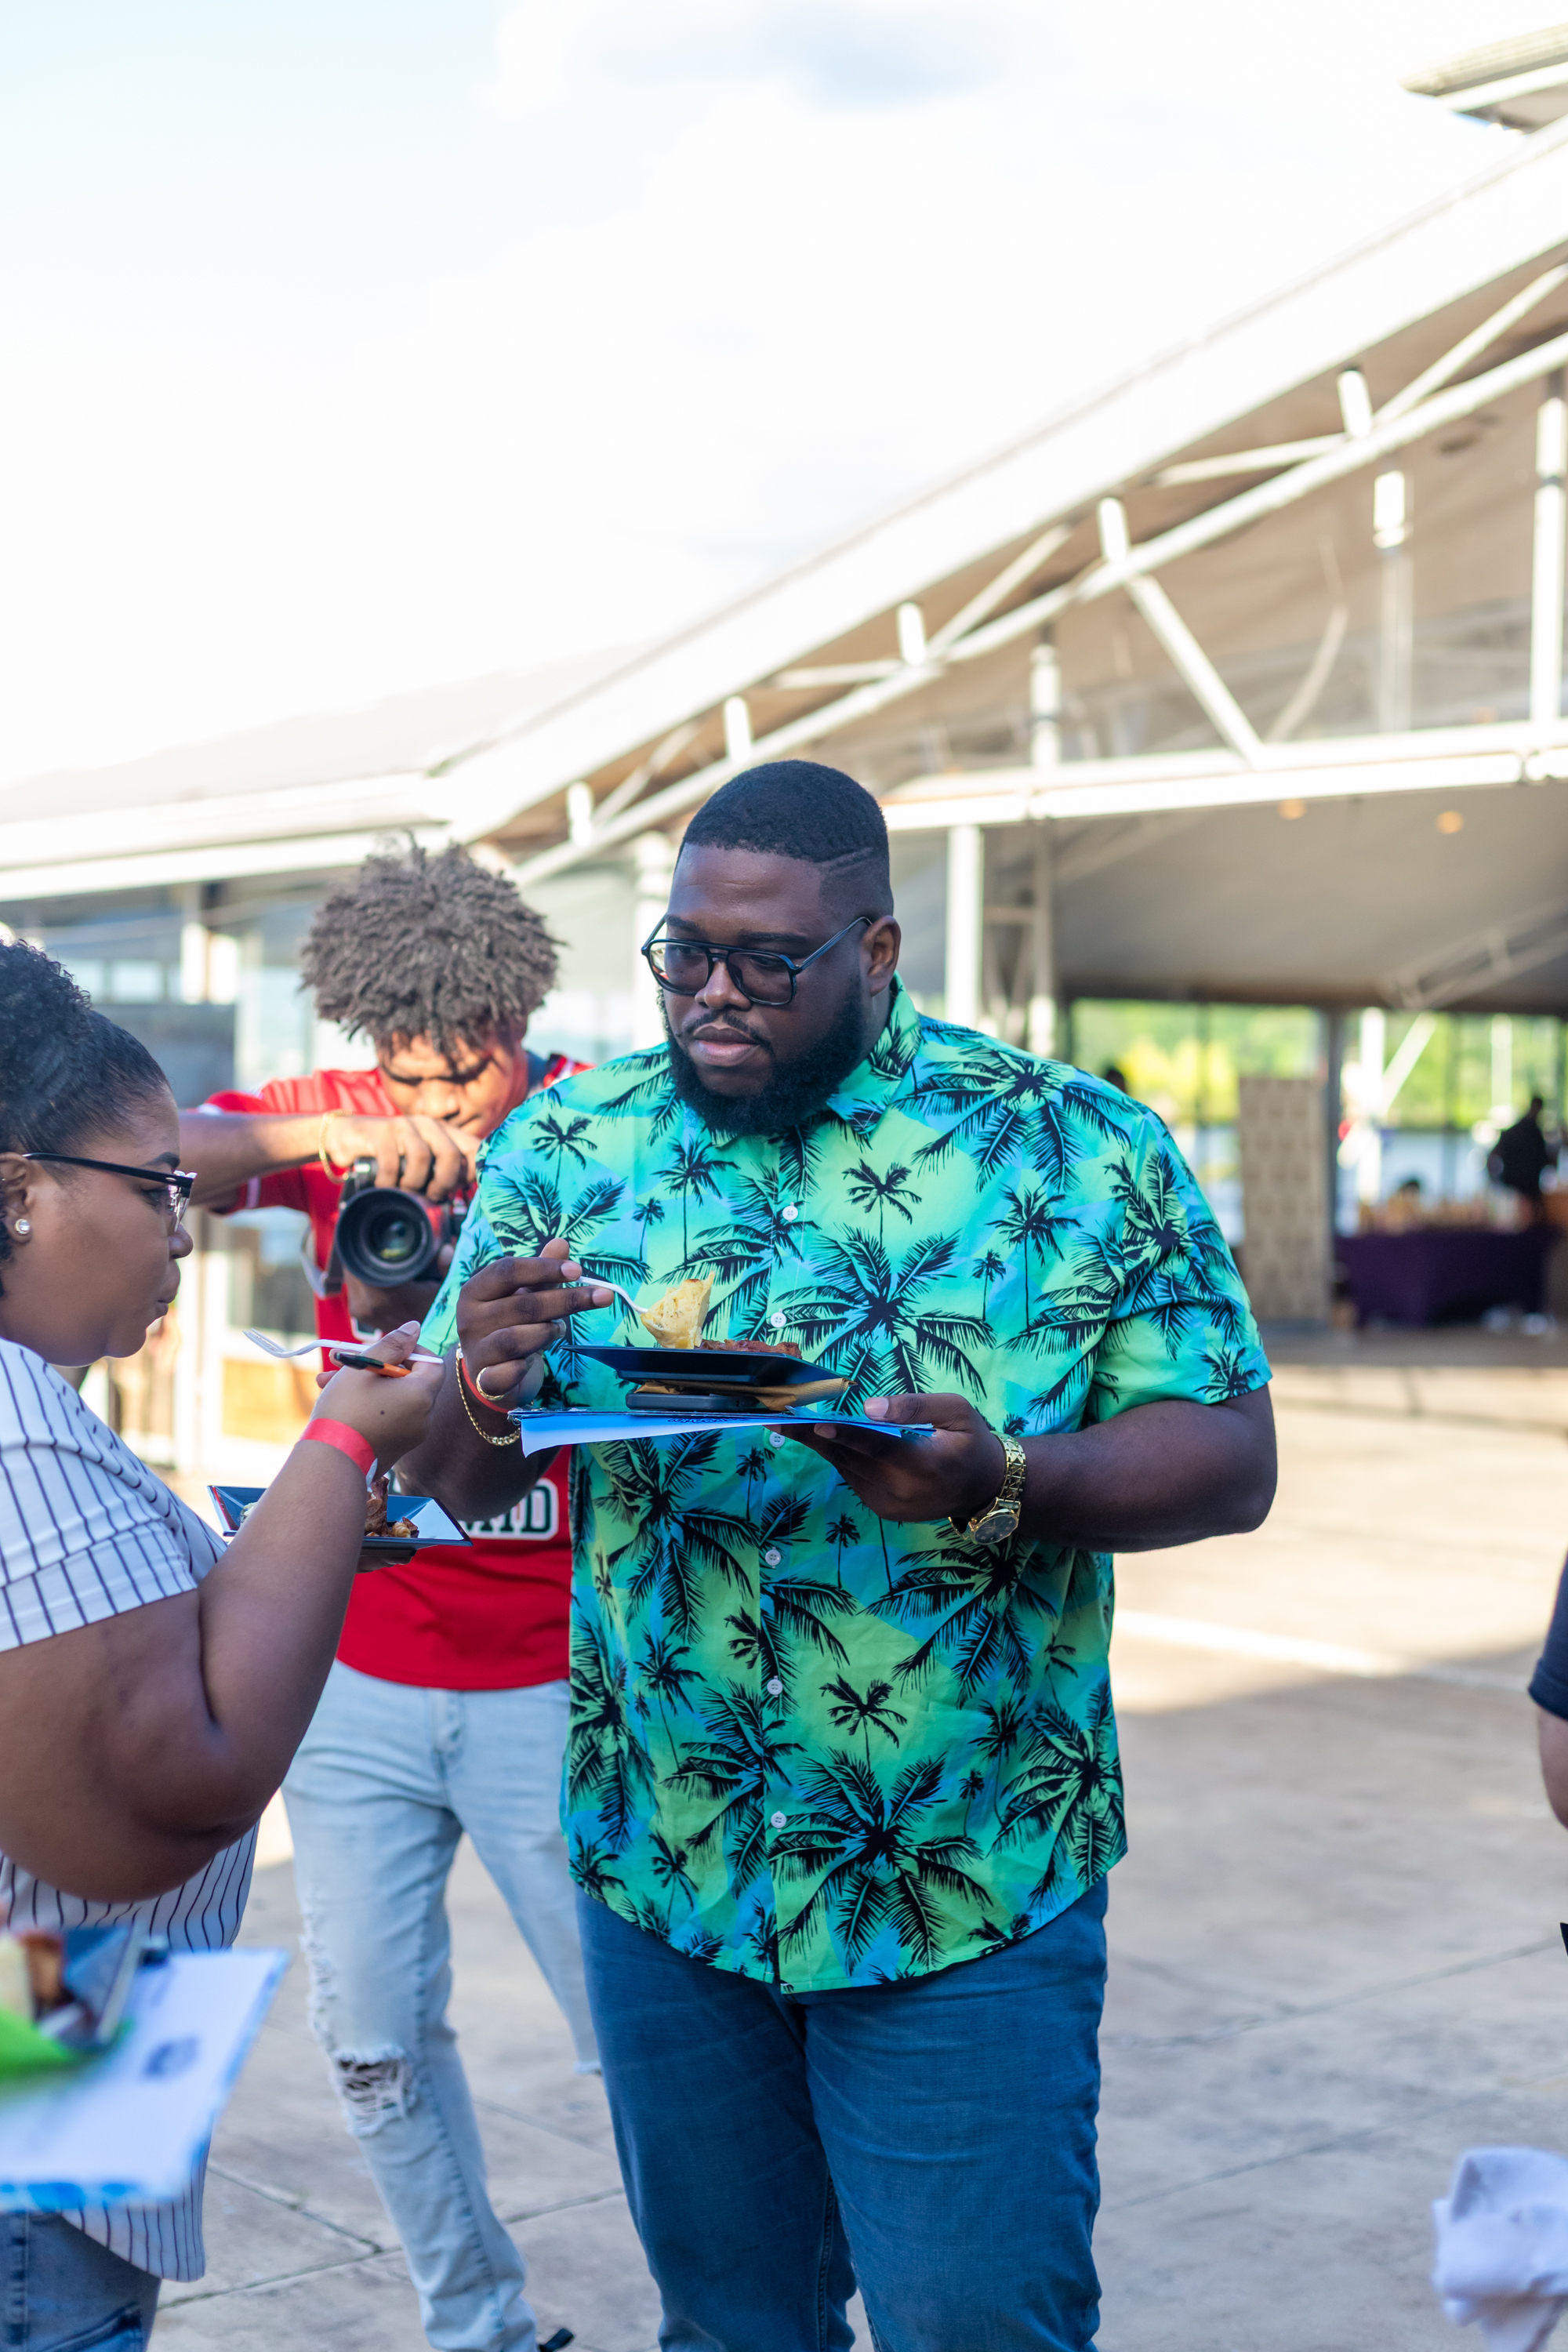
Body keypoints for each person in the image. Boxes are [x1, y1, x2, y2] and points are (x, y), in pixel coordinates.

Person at [399, 760, 1278, 2352]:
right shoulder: (570, 1144)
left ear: (875, 950)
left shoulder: (1070, 1147)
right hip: (669, 1866)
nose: (712, 996)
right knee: (732, 2328)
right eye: (684, 953)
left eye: (765, 962)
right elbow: (457, 1478)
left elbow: (1228, 1456)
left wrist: (1000, 1476)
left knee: (976, 2329)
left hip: (961, 1878)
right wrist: (476, 1378)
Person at [179, 844, 597, 2352]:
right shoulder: (343, 1119)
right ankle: (482, 2326)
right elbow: (163, 1154)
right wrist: (335, 1134)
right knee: (371, 2045)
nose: (440, 1108)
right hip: (354, 1673)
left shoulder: (591, 1120)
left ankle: (741, 2310)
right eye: (405, 1075)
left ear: (516, 1024)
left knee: (644, 2037)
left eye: (462, 1075)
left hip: (558, 1672)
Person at [0, 939, 439, 2347]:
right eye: (158, 1189)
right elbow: (169, 1792)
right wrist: (343, 1442)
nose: (186, 1232)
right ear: (17, 1195)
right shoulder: (15, 1426)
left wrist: (294, 1542)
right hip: (37, 2107)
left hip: (68, 2062)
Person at [1490, 1096, 1553, 1218]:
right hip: (1523, 1192)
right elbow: (1545, 1160)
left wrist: (1495, 1181)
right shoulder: (1534, 1135)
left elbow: (1493, 1155)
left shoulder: (1517, 1132)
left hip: (1514, 1191)